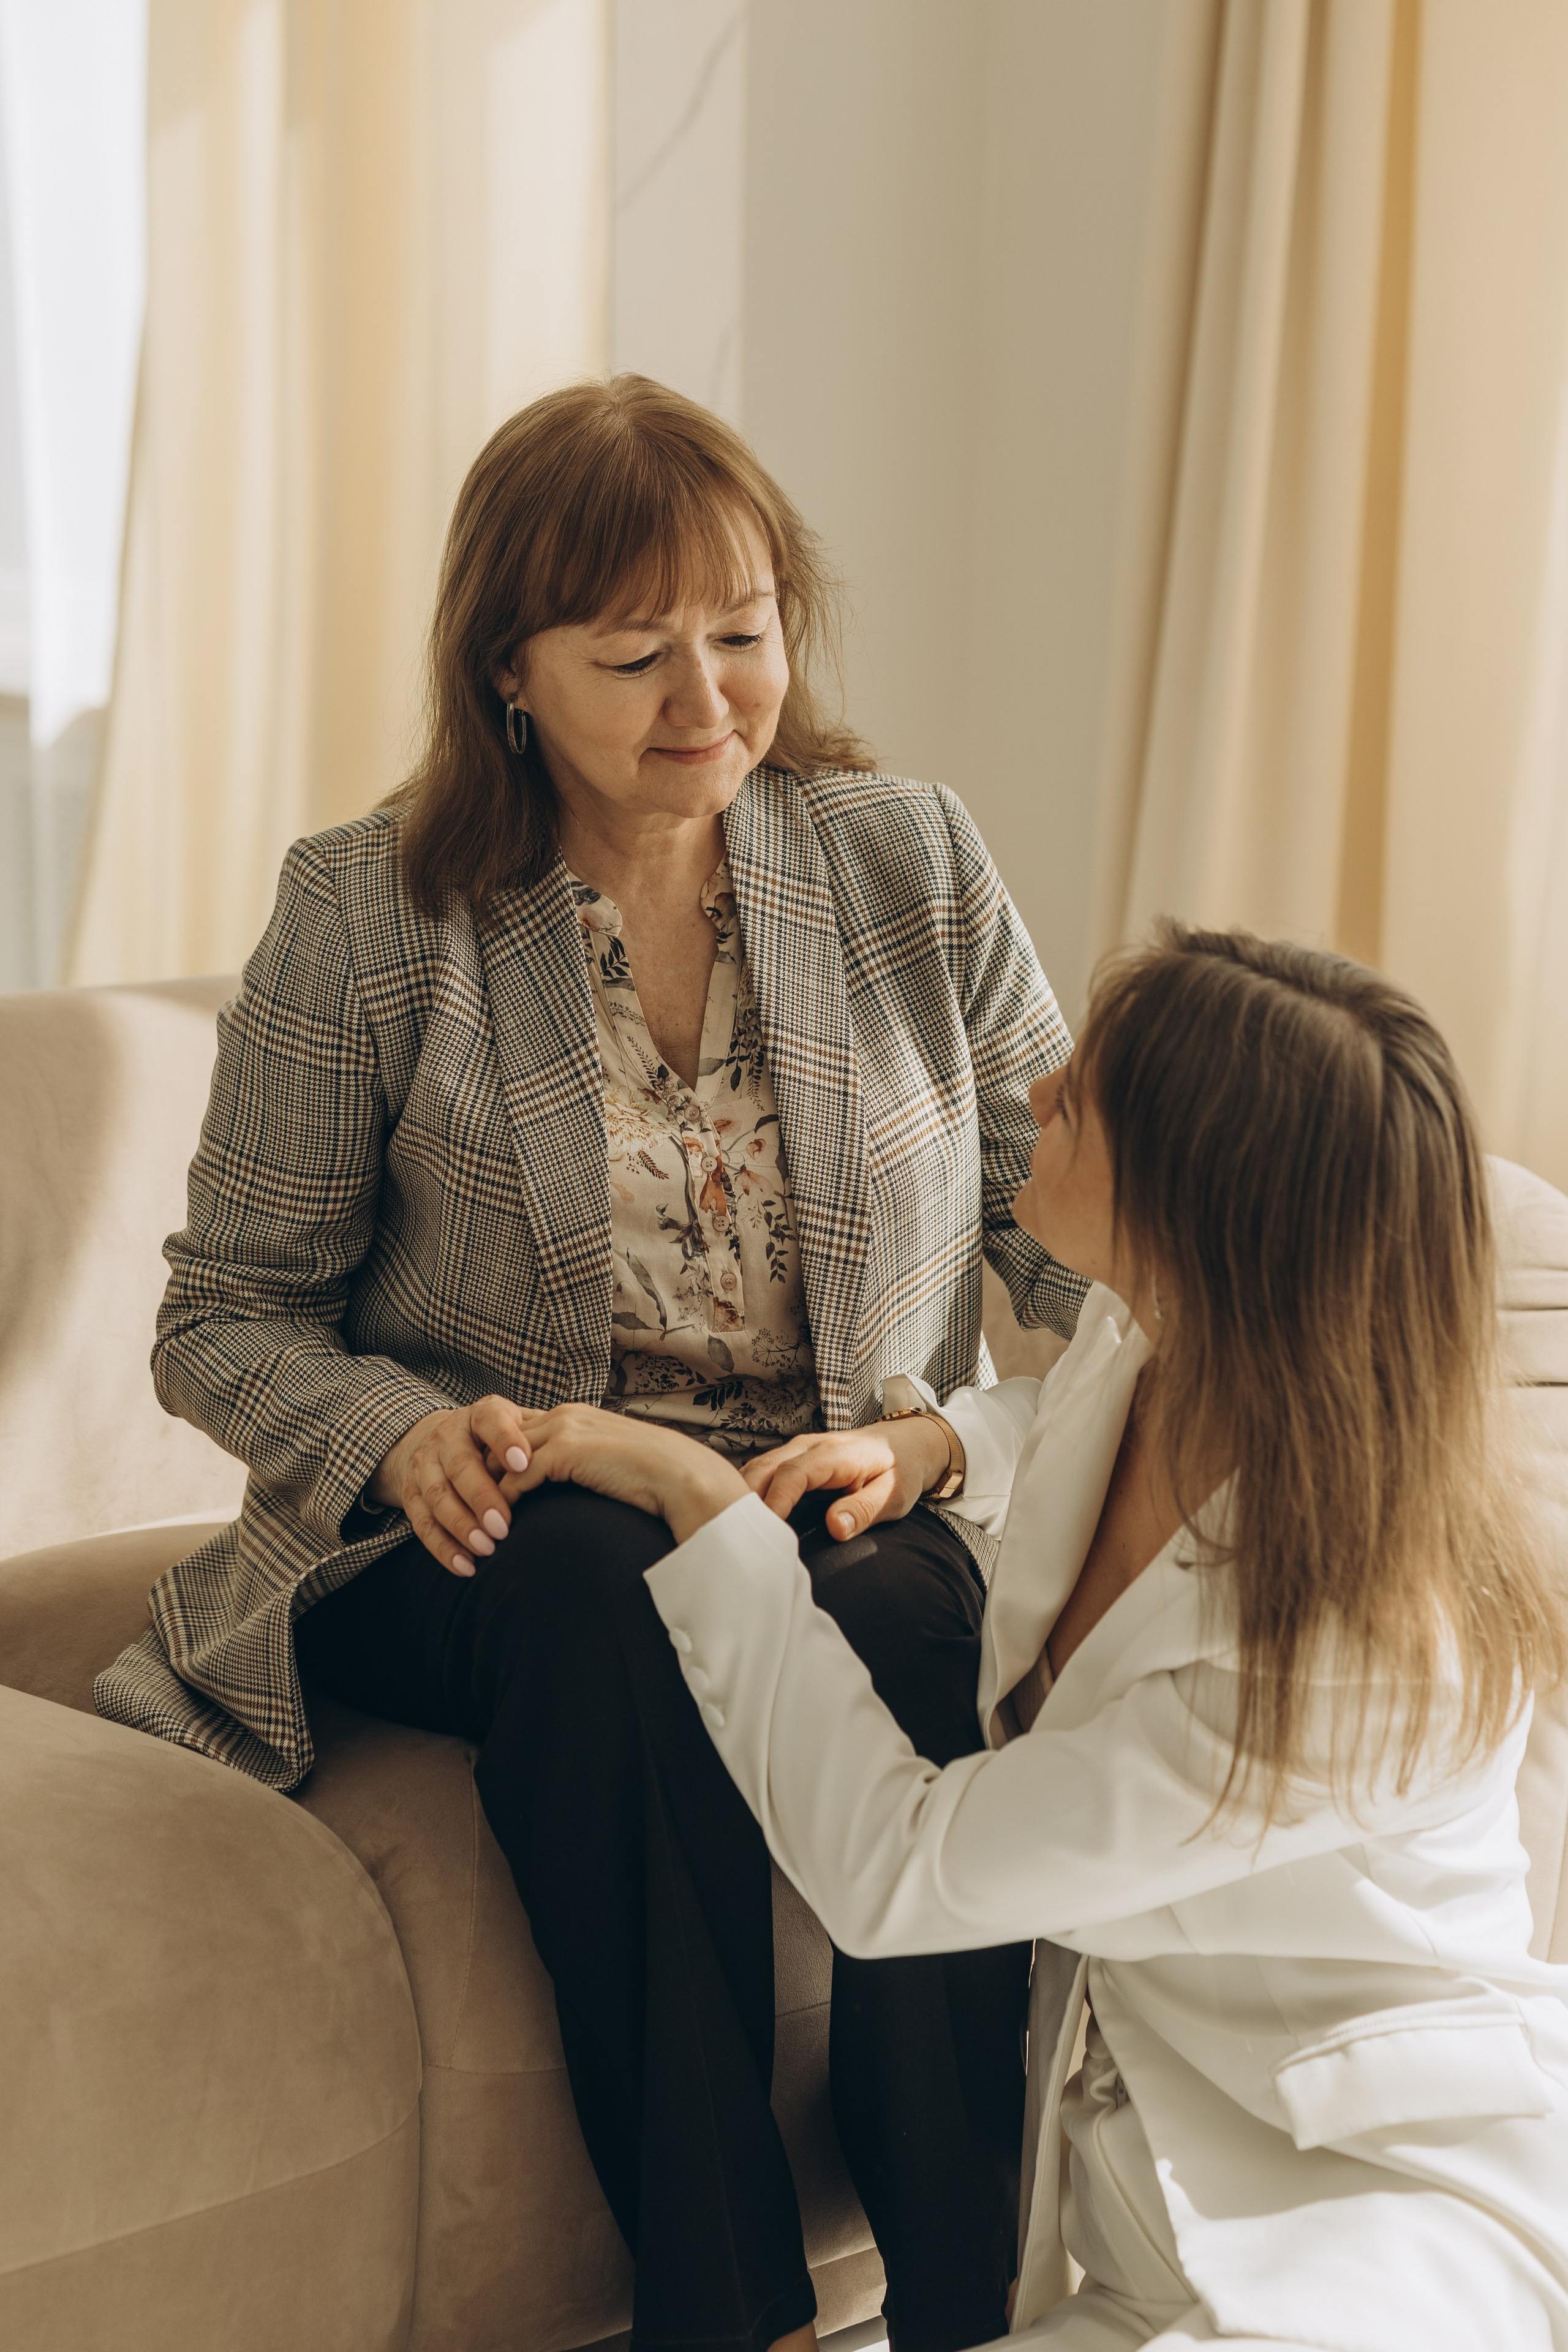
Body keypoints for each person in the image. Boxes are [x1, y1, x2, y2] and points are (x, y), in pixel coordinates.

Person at [96, 375, 1085, 2352]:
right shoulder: (371, 912)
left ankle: (970, 2307)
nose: (706, 698)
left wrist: (944, 1447)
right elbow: (223, 1312)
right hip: (502, 1524)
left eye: (745, 634)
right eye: (634, 655)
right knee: (602, 1596)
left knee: (917, 1623)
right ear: (510, 672)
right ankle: (727, 2313)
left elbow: (1081, 1242)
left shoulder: (910, 861)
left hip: (833, 1490)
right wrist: (402, 1435)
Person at [495, 923, 1568, 2352]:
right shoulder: (1152, 1339)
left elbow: (892, 1868)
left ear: (1191, 1200)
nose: (1039, 1089)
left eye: (1088, 1093)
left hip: (1375, 2231)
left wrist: (699, 1502)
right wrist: (935, 1445)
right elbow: (1059, 1423)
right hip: (1141, 2236)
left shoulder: (1349, 1657)